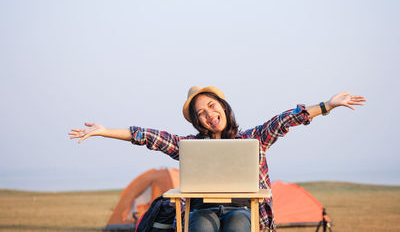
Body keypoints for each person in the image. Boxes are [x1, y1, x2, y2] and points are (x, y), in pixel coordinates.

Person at [69, 86, 366, 232]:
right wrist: (105, 131)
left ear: (223, 107)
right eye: (201, 113)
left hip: (243, 210)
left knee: (237, 226)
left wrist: (327, 105)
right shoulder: (188, 146)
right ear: (198, 122)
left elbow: (285, 120)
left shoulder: (253, 139)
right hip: (202, 211)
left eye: (212, 106)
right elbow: (147, 136)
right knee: (201, 228)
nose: (209, 114)